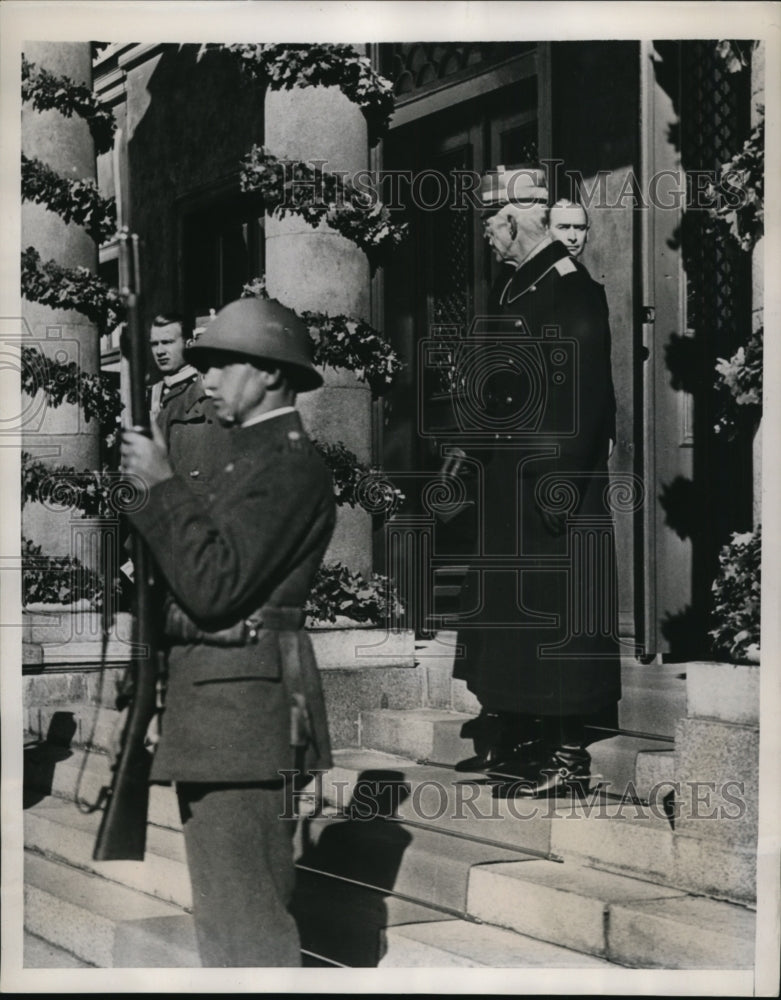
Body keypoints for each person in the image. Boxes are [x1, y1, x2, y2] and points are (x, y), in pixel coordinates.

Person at [120, 297, 336, 966]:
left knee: (247, 933)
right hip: (218, 712)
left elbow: (213, 585)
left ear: (272, 373)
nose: (205, 379)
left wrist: (160, 488)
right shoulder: (247, 458)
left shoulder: (290, 465)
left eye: (221, 365)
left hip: (244, 719)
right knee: (227, 926)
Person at [452, 165, 621, 798]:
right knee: (516, 619)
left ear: (517, 221)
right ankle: (526, 739)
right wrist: (468, 449)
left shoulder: (570, 287)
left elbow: (589, 394)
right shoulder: (515, 286)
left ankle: (567, 756)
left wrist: (561, 482)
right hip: (509, 489)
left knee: (556, 618)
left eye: (491, 227)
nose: (487, 239)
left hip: (553, 489)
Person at [147, 312, 230, 492]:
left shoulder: (207, 392)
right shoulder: (152, 393)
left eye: (167, 342)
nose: (159, 351)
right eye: (154, 344)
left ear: (189, 344)